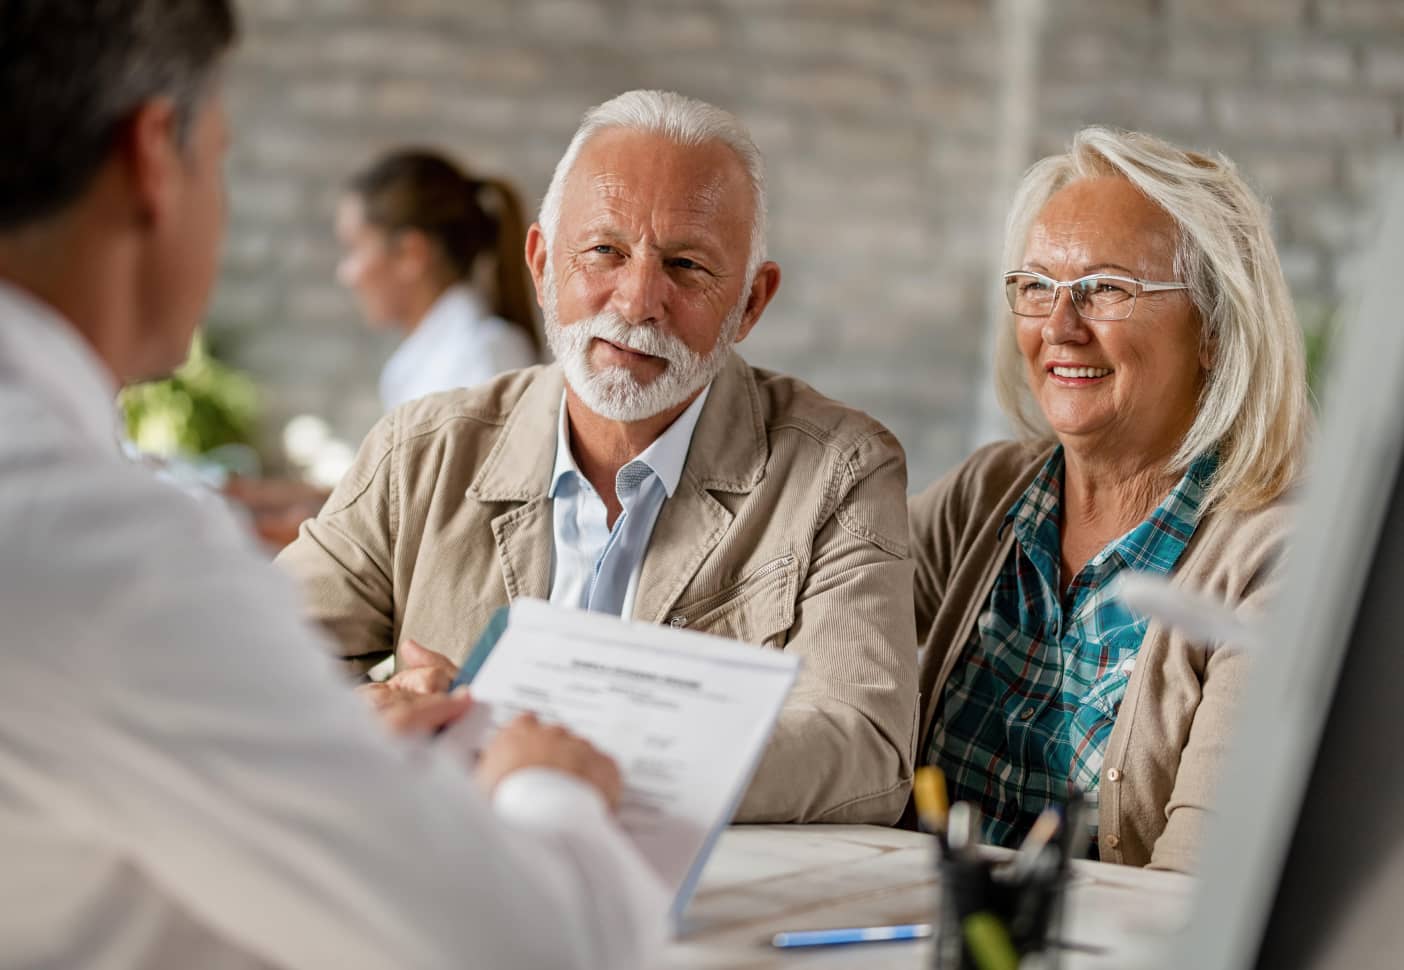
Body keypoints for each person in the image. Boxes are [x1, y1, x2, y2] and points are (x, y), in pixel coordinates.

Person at [0, 3, 667, 968]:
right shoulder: (111, 557)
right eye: (219, 156)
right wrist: (544, 783)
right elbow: (542, 947)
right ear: (154, 155)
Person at [277, 89, 919, 825]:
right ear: (542, 263)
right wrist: (369, 714)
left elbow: (865, 750)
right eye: (604, 251)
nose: (639, 299)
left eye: (686, 265)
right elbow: (251, 661)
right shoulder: (419, 450)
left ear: (750, 304)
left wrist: (559, 755)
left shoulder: (841, 472)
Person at [911, 127, 1310, 872]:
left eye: (1105, 288)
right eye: (1037, 286)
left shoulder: (1276, 560)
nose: (1060, 328)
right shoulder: (983, 496)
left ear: (1215, 329)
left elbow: (1196, 891)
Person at [336, 148, 542, 411]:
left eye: (355, 249)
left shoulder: (483, 356)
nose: (346, 274)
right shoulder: (428, 358)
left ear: (411, 254)